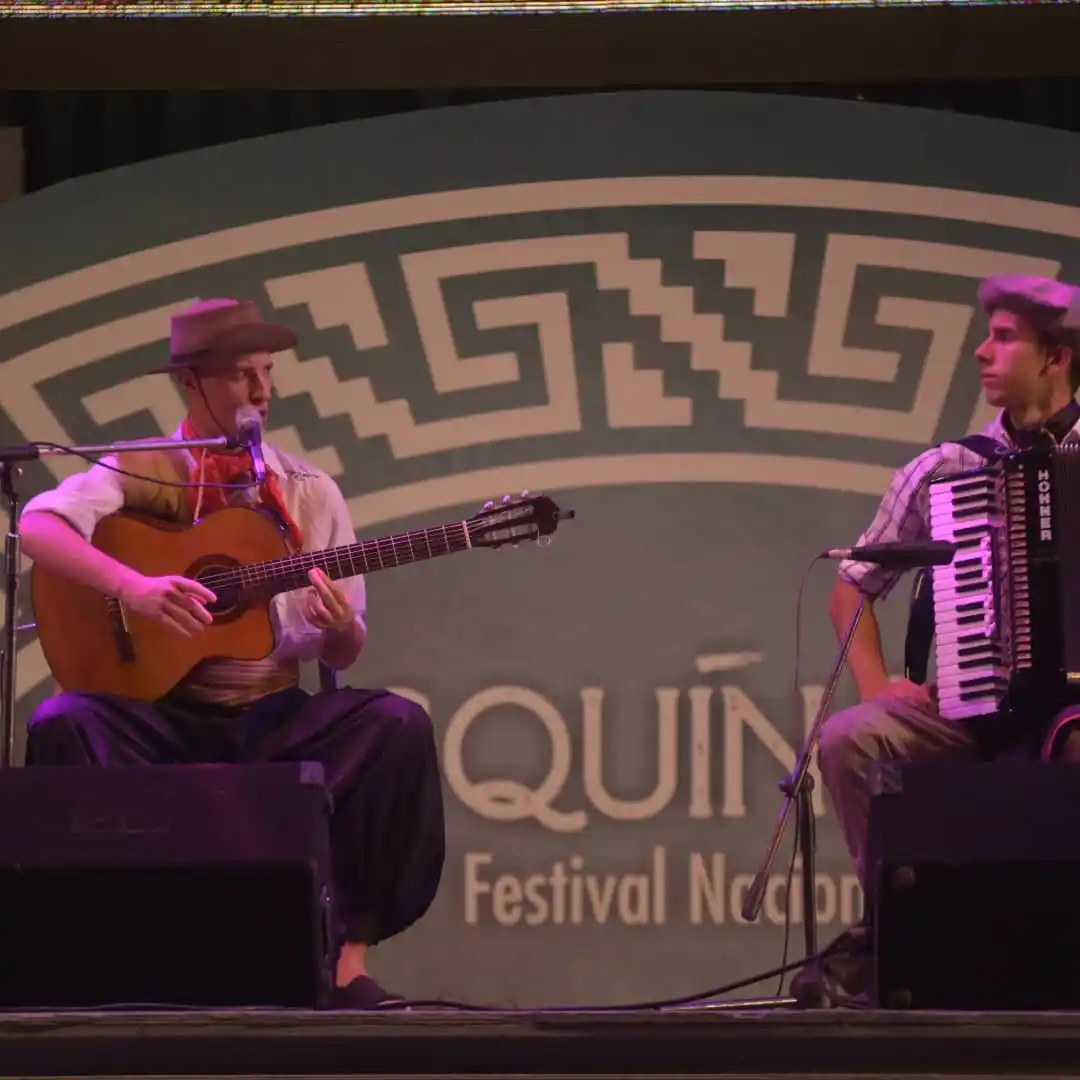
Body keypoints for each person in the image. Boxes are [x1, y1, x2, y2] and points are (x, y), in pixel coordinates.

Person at [18, 298, 445, 1010]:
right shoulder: (143, 469)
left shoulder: (309, 492)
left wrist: (339, 625)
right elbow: (39, 527)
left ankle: (345, 962)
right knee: (62, 724)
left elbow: (348, 644)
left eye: (267, 372)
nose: (261, 392)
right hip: (159, 717)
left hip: (271, 715)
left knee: (396, 727)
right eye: (242, 374)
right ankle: (106, 960)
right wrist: (135, 586)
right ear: (191, 384)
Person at [792, 274, 1080, 1006]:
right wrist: (878, 683)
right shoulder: (944, 471)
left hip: (1068, 713)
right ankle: (898, 928)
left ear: (1055, 357)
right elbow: (851, 584)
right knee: (849, 738)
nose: (982, 352)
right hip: (963, 708)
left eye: (1004, 337)